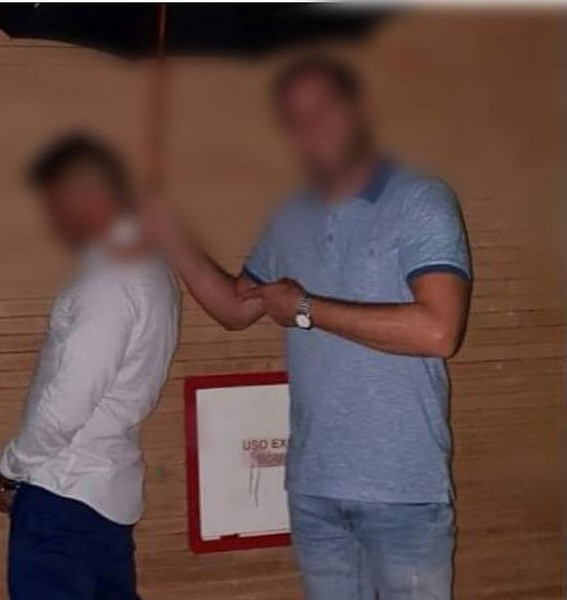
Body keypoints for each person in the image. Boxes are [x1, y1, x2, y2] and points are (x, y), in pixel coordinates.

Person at [143, 57, 471, 600]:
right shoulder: (290, 215)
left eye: (323, 109)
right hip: (314, 489)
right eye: (295, 118)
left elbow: (439, 331)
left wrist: (305, 309)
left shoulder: (420, 200)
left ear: (359, 109)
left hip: (403, 491)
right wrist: (170, 232)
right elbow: (235, 309)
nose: (310, 127)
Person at [0, 135, 179, 600]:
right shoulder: (154, 270)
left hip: (64, 497)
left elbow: (68, 402)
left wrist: (7, 471)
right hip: (105, 499)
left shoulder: (109, 276)